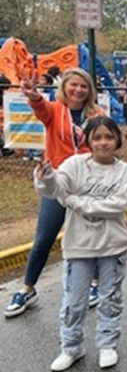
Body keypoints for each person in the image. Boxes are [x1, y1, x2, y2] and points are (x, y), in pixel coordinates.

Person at [34, 117, 127, 372]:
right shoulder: (75, 164)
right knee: (74, 300)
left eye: (109, 136)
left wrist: (76, 202)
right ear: (88, 140)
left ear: (117, 140)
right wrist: (46, 176)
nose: (103, 142)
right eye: (97, 137)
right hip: (79, 245)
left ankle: (107, 344)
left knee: (110, 298)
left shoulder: (125, 171)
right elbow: (55, 189)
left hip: (112, 245)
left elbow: (117, 206)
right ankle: (71, 347)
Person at [5, 68, 104, 318]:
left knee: (90, 235)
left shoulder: (97, 114)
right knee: (44, 238)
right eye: (74, 85)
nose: (78, 90)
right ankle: (28, 288)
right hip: (58, 182)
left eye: (83, 86)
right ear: (65, 87)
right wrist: (33, 95)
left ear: (89, 89)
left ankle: (95, 283)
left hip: (87, 185)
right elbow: (41, 108)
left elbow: (105, 142)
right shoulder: (55, 110)